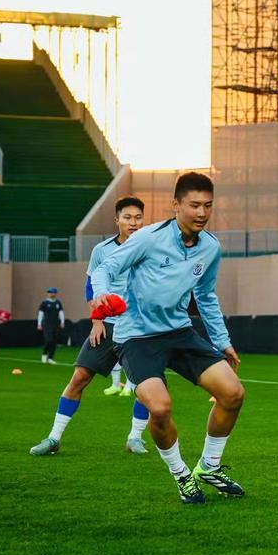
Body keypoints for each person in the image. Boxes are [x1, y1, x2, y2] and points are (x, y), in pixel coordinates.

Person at [90, 172, 244, 505]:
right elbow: (105, 268)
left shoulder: (210, 247)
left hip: (179, 332)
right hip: (137, 337)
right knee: (159, 408)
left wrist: (222, 341)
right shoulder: (148, 238)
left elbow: (206, 296)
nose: (201, 213)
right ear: (176, 205)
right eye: (194, 205)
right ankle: (182, 475)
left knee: (233, 393)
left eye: (208, 206)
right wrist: (101, 293)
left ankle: (209, 467)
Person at [29, 197, 151, 456]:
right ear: (116, 220)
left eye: (138, 217)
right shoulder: (102, 250)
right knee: (79, 378)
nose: (133, 222)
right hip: (106, 326)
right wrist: (96, 321)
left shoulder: (152, 249)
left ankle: (135, 438)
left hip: (139, 329)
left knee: (146, 387)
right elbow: (90, 287)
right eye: (127, 217)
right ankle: (54, 438)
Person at [37, 288, 65, 364]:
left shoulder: (58, 303)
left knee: (54, 341)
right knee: (48, 340)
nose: (52, 294)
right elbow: (40, 314)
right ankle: (44, 354)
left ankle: (50, 358)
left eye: (54, 293)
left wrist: (62, 322)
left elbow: (61, 313)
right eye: (51, 293)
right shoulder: (44, 303)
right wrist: (39, 324)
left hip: (55, 324)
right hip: (47, 324)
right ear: (48, 294)